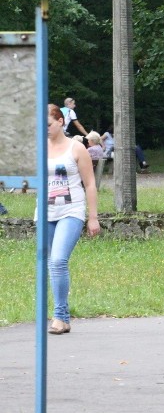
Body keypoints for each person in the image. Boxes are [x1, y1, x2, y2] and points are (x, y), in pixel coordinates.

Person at [41, 104, 101, 334]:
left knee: (58, 261)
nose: (44, 129)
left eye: (48, 124)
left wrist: (92, 218)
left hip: (71, 211)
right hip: (46, 212)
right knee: (50, 263)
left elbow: (90, 184)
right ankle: (63, 318)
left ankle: (59, 316)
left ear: (60, 122)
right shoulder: (39, 149)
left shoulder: (76, 149)